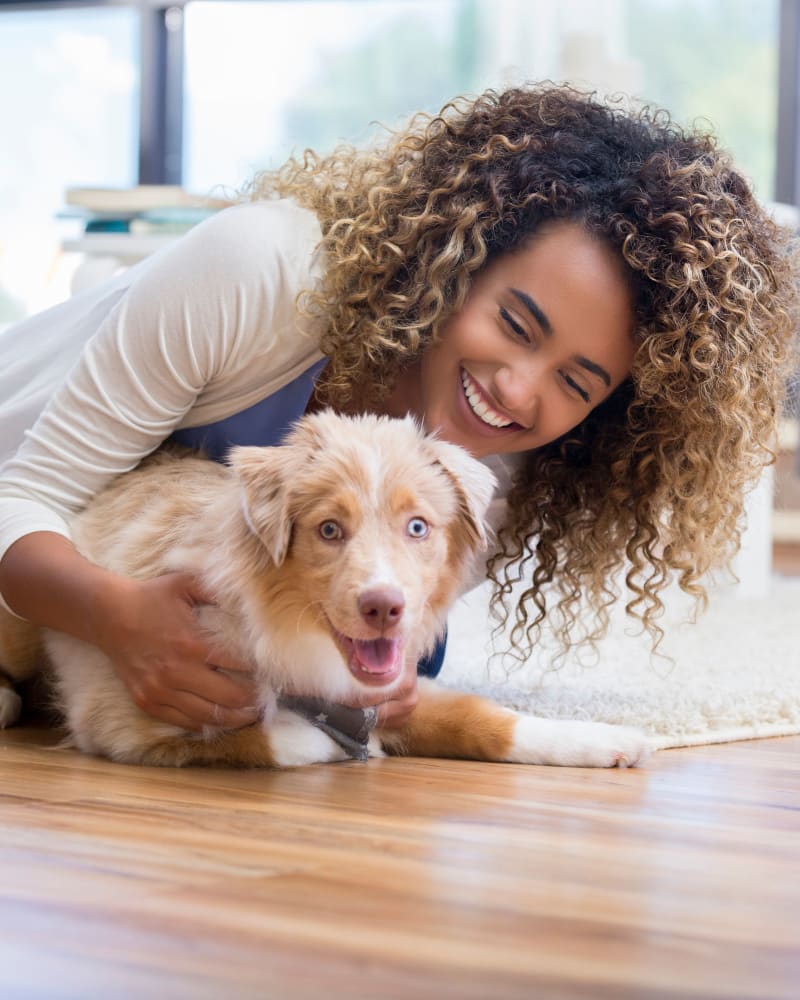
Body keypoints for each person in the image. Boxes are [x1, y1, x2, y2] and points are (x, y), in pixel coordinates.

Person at [0, 83, 796, 734]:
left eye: (577, 384)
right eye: (516, 324)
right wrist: (117, 618)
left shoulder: (494, 483)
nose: (519, 391)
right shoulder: (263, 274)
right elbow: (20, 495)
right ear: (453, 262)